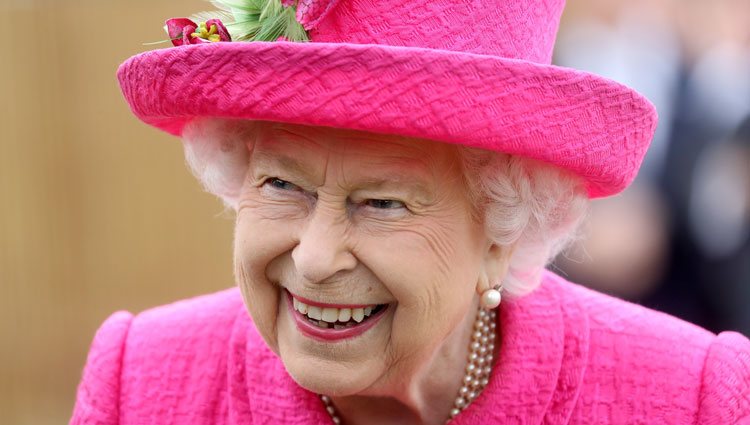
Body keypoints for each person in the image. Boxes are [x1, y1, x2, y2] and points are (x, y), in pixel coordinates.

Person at [70, 0, 750, 424]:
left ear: (502, 231)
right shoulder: (141, 384)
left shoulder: (693, 399)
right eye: (282, 185)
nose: (314, 255)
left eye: (381, 202)